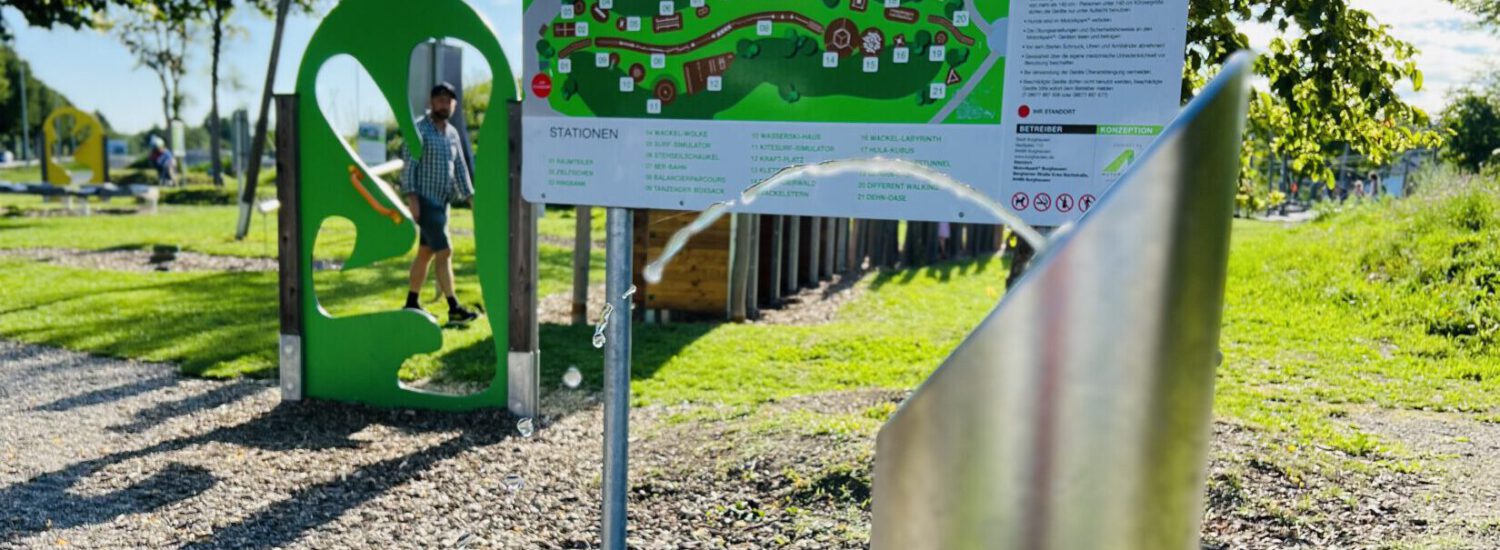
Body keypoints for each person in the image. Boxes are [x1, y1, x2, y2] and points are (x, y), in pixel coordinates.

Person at [401, 82, 480, 324]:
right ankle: (454, 307)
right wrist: (412, 199)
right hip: (425, 201)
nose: (443, 105)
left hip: (442, 203)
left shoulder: (453, 134)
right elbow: (409, 166)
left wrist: (470, 198)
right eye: (439, 100)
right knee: (445, 251)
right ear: (431, 103)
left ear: (453, 105)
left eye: (448, 101)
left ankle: (411, 302)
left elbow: (460, 169)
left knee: (425, 253)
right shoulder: (420, 130)